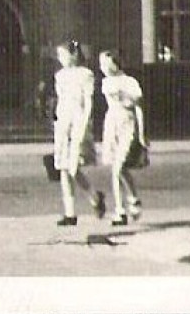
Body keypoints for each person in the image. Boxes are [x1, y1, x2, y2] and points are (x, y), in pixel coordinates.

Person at [52, 40, 103, 225]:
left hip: (78, 121)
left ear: (74, 55)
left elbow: (88, 101)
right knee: (64, 168)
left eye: (63, 55)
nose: (61, 59)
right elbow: (61, 98)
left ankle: (94, 196)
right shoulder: (60, 76)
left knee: (73, 167)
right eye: (59, 56)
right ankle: (70, 212)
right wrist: (57, 119)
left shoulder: (85, 74)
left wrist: (85, 123)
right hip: (64, 121)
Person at [98, 49, 147, 225]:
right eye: (101, 63)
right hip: (112, 124)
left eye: (105, 63)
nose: (102, 67)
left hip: (127, 123)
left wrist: (142, 133)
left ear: (115, 63)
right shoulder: (105, 83)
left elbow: (138, 107)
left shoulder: (130, 82)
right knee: (117, 168)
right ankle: (127, 204)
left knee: (118, 167)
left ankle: (124, 207)